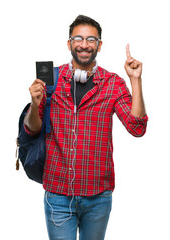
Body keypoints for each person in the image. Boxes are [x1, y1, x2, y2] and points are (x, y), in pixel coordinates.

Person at [24, 15, 148, 240]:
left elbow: (136, 128)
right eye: (78, 38)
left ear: (99, 45)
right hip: (58, 194)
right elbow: (32, 129)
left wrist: (135, 80)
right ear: (69, 43)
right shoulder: (49, 79)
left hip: (98, 196)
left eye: (91, 39)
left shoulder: (113, 83)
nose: (84, 44)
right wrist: (35, 104)